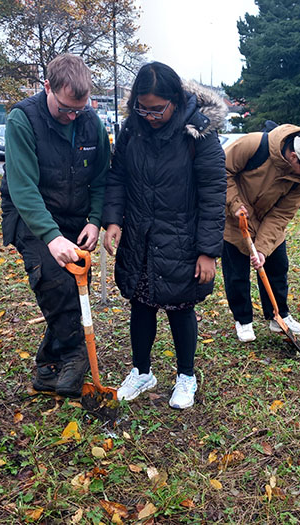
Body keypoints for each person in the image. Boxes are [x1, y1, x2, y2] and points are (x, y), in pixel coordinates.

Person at [102, 62, 226, 410]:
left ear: (175, 100)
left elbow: (214, 192)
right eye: (143, 107)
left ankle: (186, 376)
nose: (150, 115)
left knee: (179, 307)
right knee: (141, 305)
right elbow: (118, 176)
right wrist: (113, 220)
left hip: (182, 238)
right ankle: (142, 371)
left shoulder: (198, 133)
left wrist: (207, 251)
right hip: (140, 235)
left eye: (157, 109)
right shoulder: (132, 130)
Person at [0, 54, 111, 397]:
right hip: (29, 214)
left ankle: (48, 367)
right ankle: (76, 356)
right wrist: (50, 237)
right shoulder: (23, 120)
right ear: (47, 87)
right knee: (55, 280)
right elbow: (22, 187)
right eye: (65, 108)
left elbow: (102, 177)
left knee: (73, 289)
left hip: (75, 216)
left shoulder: (91, 122)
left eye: (80, 108)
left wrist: (94, 222)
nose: (73, 115)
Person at [222, 125, 300, 342]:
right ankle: (243, 320)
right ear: (292, 156)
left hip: (266, 220)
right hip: (234, 218)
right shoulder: (253, 145)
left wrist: (262, 249)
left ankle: (278, 316)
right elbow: (220, 171)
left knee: (277, 266)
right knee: (236, 273)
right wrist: (234, 204)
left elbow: (281, 214)